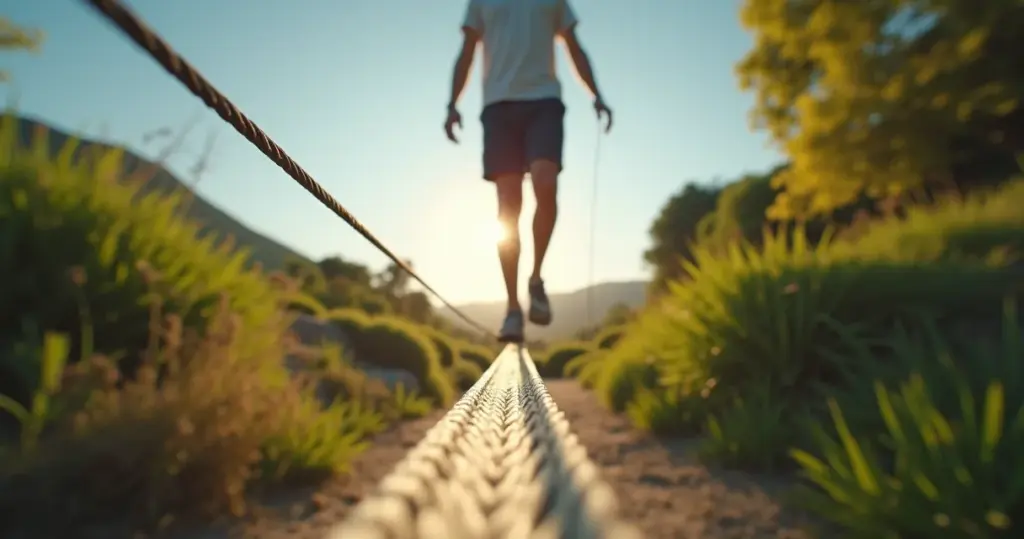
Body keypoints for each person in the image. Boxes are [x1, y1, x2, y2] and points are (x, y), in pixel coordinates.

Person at [444, 0, 613, 343]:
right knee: (508, 207)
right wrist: (452, 103)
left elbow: (574, 48)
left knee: (545, 183)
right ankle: (512, 309)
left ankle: (535, 279)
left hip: (543, 102)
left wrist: (597, 94)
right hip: (498, 107)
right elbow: (467, 52)